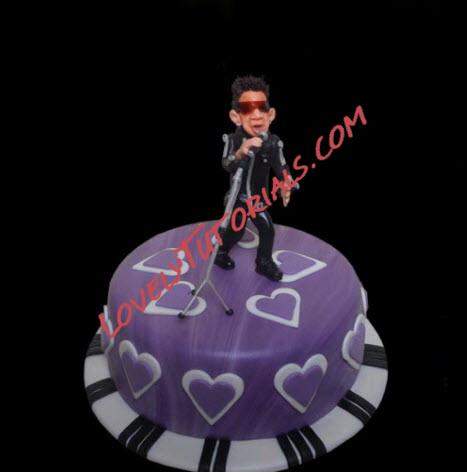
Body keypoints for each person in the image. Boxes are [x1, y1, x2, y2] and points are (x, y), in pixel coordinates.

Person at [215, 75, 298, 281]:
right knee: (235, 232)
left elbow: (281, 165)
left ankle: (263, 263)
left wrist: (286, 182)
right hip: (238, 199)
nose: (256, 116)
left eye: (262, 108)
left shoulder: (272, 143)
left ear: (271, 114)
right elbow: (226, 164)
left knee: (267, 229)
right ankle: (221, 252)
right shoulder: (233, 140)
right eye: (247, 109)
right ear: (236, 117)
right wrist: (240, 152)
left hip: (258, 200)